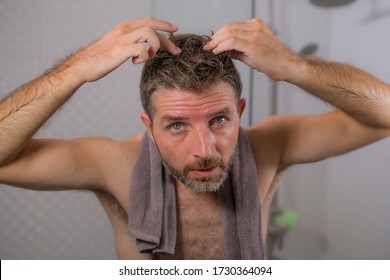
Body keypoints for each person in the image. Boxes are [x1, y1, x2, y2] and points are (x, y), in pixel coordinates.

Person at [0, 17, 389, 260]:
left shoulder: (271, 146)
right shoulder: (113, 164)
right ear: (147, 126)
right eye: (176, 126)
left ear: (239, 112)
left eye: (219, 119)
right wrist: (75, 70)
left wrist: (294, 66)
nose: (204, 150)